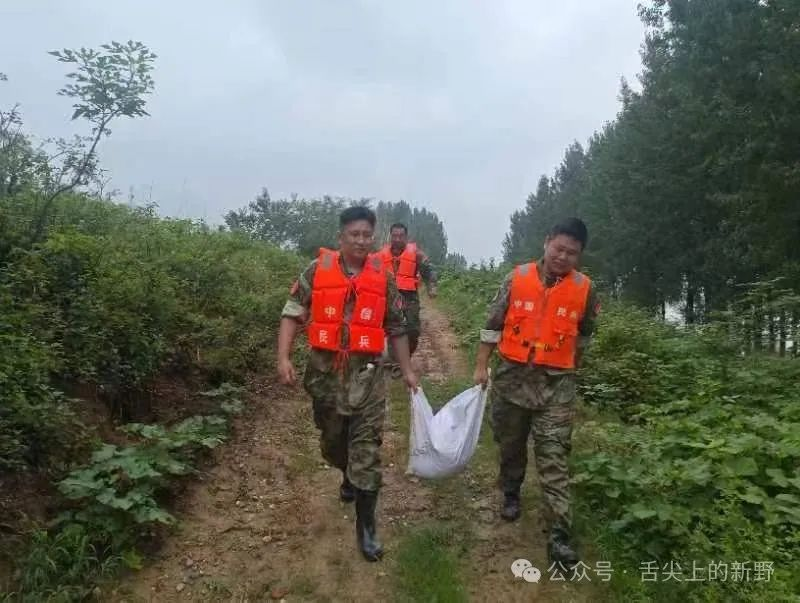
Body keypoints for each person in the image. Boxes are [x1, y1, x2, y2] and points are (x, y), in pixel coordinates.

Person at [277, 206, 418, 562]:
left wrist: (408, 370)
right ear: (341, 237)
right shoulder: (316, 271)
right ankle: (345, 472)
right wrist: (283, 358)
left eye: (366, 235)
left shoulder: (383, 276)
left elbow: (397, 328)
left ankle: (367, 527)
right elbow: (293, 312)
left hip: (368, 375)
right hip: (325, 376)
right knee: (333, 444)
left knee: (367, 452)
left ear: (374, 238)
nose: (360, 240)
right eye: (353, 234)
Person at [472, 218, 599, 569]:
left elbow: (586, 333)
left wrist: (572, 364)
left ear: (579, 255)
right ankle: (511, 491)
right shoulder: (518, 278)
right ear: (546, 243)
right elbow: (491, 324)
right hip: (512, 380)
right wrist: (481, 365)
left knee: (554, 458)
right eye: (559, 248)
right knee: (510, 443)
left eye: (571, 253)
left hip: (556, 387)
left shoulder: (585, 289)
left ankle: (559, 535)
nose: (563, 257)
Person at [377, 223, 438, 356]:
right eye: (395, 236)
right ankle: (394, 360)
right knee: (390, 328)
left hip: (409, 297)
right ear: (390, 236)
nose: (398, 239)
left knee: (412, 330)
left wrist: (431, 287)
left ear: (406, 237)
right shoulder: (380, 255)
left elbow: (429, 270)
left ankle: (406, 355)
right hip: (387, 296)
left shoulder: (416, 253)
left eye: (401, 236)